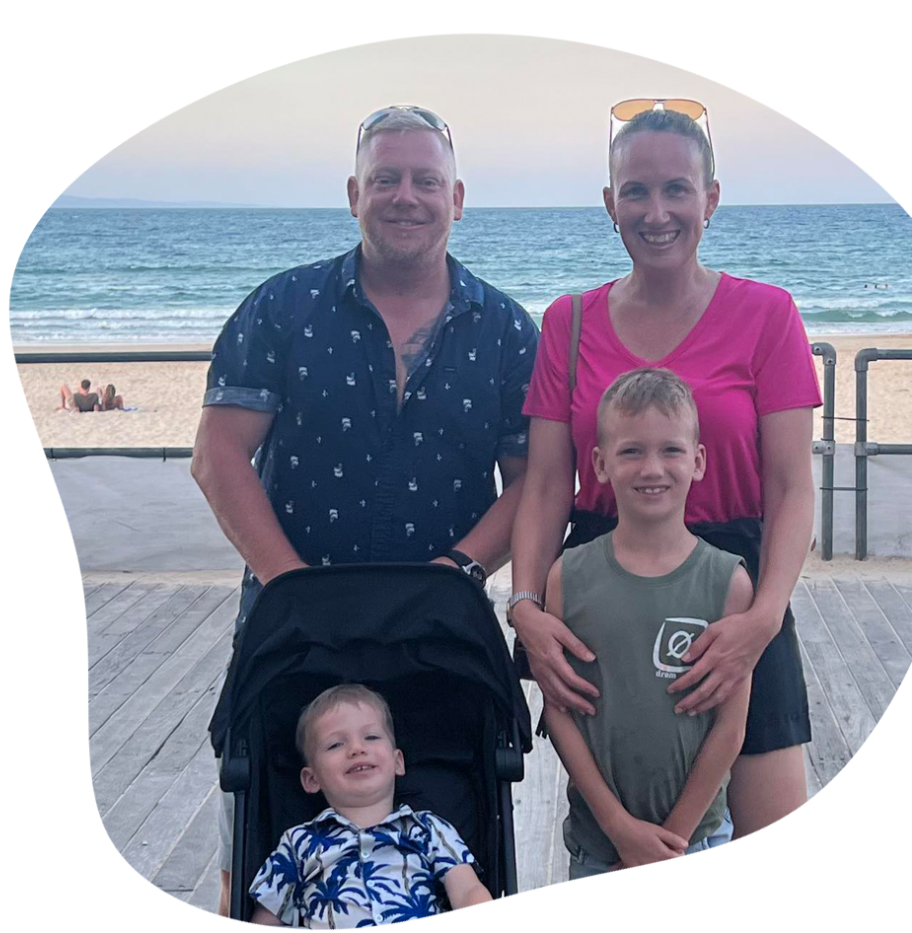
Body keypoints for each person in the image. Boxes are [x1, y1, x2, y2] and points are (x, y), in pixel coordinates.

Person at [192, 105, 539, 918]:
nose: (404, 196)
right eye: (385, 178)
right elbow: (218, 457)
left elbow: (533, 482)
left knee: (458, 813)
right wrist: (293, 588)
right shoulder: (282, 307)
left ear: (458, 198)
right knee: (253, 826)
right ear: (354, 192)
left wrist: (458, 571)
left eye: (425, 180)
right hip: (289, 629)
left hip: (436, 636)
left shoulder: (506, 330)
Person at [510, 101, 822, 844]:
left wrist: (763, 618)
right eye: (636, 191)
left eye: (676, 189)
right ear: (608, 202)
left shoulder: (767, 313)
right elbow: (548, 485)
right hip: (605, 586)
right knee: (618, 838)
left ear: (709, 199)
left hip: (738, 587)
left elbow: (789, 487)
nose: (656, 212)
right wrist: (526, 607)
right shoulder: (568, 321)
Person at [543, 369, 753, 877]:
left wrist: (670, 842)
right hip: (598, 846)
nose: (651, 468)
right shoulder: (567, 576)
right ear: (599, 464)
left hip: (695, 840)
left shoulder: (729, 583)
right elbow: (559, 713)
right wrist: (619, 828)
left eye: (671, 451)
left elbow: (730, 727)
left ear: (698, 461)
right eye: (632, 451)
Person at [249, 684, 491, 928]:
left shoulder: (428, 829)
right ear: (312, 779)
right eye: (336, 744)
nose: (357, 749)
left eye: (371, 737)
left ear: (398, 762)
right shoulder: (298, 843)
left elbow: (467, 889)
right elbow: (268, 916)